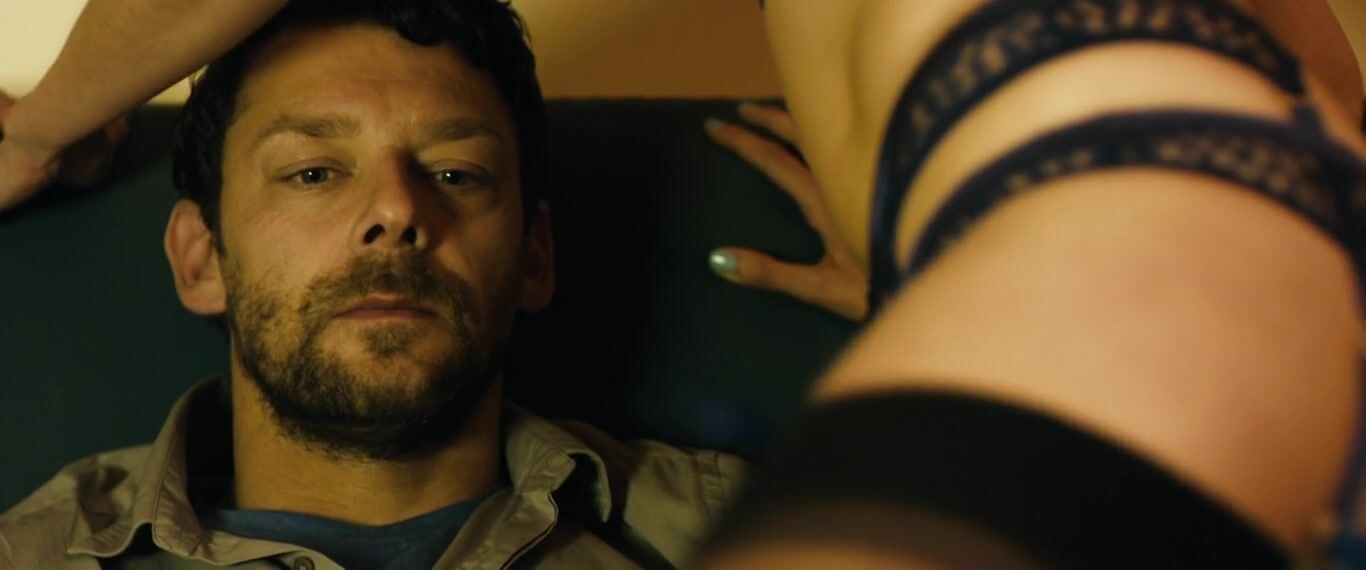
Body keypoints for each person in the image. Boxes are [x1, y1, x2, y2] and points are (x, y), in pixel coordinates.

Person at [0, 1, 865, 568]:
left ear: (534, 256)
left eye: (456, 174)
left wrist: (932, 306)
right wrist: (33, 138)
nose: (396, 210)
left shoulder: (742, 533)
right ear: (201, 259)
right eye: (312, 172)